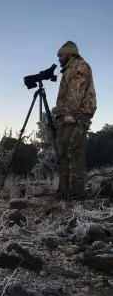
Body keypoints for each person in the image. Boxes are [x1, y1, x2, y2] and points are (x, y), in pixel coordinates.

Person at [55, 41, 97, 200]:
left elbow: (75, 92)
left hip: (76, 115)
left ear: (70, 53)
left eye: (61, 54)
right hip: (74, 114)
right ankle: (67, 191)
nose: (58, 57)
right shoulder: (71, 68)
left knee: (71, 152)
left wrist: (69, 115)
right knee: (70, 152)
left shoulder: (78, 66)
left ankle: (75, 194)